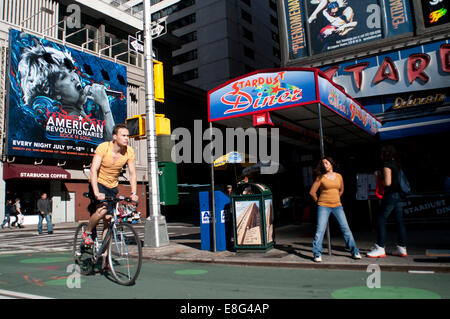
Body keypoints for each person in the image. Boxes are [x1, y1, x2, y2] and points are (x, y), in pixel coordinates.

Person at [18, 44, 115, 140]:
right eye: (63, 76)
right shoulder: (71, 121)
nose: (74, 77)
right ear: (52, 92)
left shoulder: (81, 117)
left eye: (72, 71)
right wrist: (105, 105)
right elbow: (112, 145)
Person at [82, 123, 139, 246]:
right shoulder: (103, 147)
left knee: (108, 220)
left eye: (127, 136)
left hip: (112, 186)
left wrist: (133, 193)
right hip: (98, 183)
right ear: (114, 137)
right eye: (123, 135)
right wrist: (96, 192)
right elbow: (93, 170)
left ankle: (105, 256)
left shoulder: (129, 152)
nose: (126, 138)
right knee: (102, 210)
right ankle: (87, 232)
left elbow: (133, 173)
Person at [309, 157, 361, 262]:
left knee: (345, 228)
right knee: (320, 230)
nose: (325, 165)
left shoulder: (339, 176)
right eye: (323, 163)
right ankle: (317, 254)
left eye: (326, 163)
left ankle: (355, 251)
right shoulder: (320, 177)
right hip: (323, 206)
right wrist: (319, 202)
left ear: (331, 164)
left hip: (337, 206)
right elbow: (312, 192)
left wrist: (336, 198)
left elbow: (341, 190)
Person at [367, 145, 407, 258]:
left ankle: (380, 247)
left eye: (381, 153)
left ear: (385, 154)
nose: (380, 156)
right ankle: (402, 248)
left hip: (391, 195)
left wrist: (378, 178)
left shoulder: (387, 165)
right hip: (399, 195)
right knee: (399, 221)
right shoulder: (397, 165)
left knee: (380, 219)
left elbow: (387, 183)